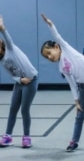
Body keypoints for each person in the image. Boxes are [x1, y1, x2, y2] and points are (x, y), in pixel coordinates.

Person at [40, 13, 84, 153]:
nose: (49, 57)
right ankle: (74, 141)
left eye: (49, 52)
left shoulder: (65, 48)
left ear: (56, 47)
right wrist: (76, 100)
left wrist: (50, 24)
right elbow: (72, 83)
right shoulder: (61, 67)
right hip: (83, 87)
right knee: (79, 115)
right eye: (46, 57)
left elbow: (57, 36)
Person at [0, 15, 38, 148]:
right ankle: (8, 136)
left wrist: (2, 28)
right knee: (13, 109)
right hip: (20, 83)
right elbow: (11, 75)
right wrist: (21, 79)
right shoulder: (2, 61)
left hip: (32, 81)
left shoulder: (10, 49)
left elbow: (7, 37)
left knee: (24, 109)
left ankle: (26, 137)